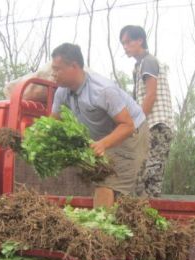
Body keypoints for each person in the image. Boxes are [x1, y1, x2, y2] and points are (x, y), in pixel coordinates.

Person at [51, 43, 148, 208]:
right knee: (107, 180)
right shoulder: (62, 92)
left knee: (106, 179)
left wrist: (103, 144)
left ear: (73, 66)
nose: (53, 74)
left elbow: (127, 125)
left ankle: (100, 231)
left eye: (57, 69)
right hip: (105, 135)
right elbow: (53, 123)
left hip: (131, 132)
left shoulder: (102, 90)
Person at [119, 25, 173, 197]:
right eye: (123, 43)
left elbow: (150, 96)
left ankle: (148, 212)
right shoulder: (140, 65)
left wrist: (136, 123)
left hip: (157, 125)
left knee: (151, 172)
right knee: (145, 175)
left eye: (128, 42)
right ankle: (145, 213)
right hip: (149, 126)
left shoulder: (148, 61)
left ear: (140, 40)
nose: (125, 47)